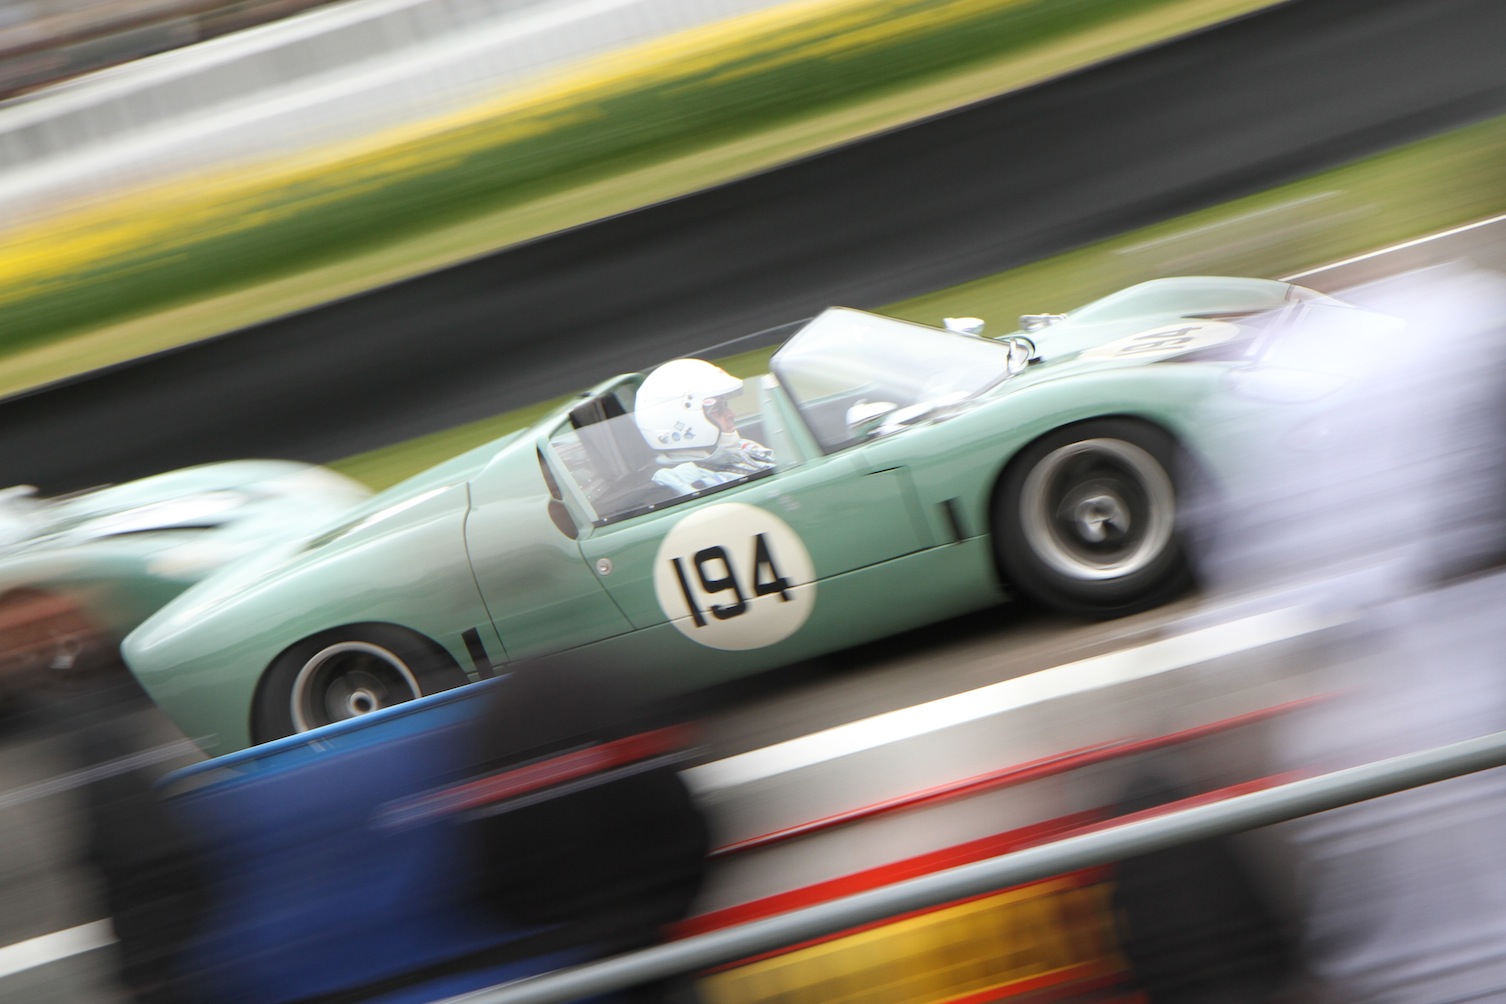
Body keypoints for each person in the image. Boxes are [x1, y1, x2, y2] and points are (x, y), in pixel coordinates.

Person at [633, 359, 774, 495]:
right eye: (717, 409)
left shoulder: (739, 447)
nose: (731, 414)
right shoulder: (684, 479)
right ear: (685, 420)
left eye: (724, 405)